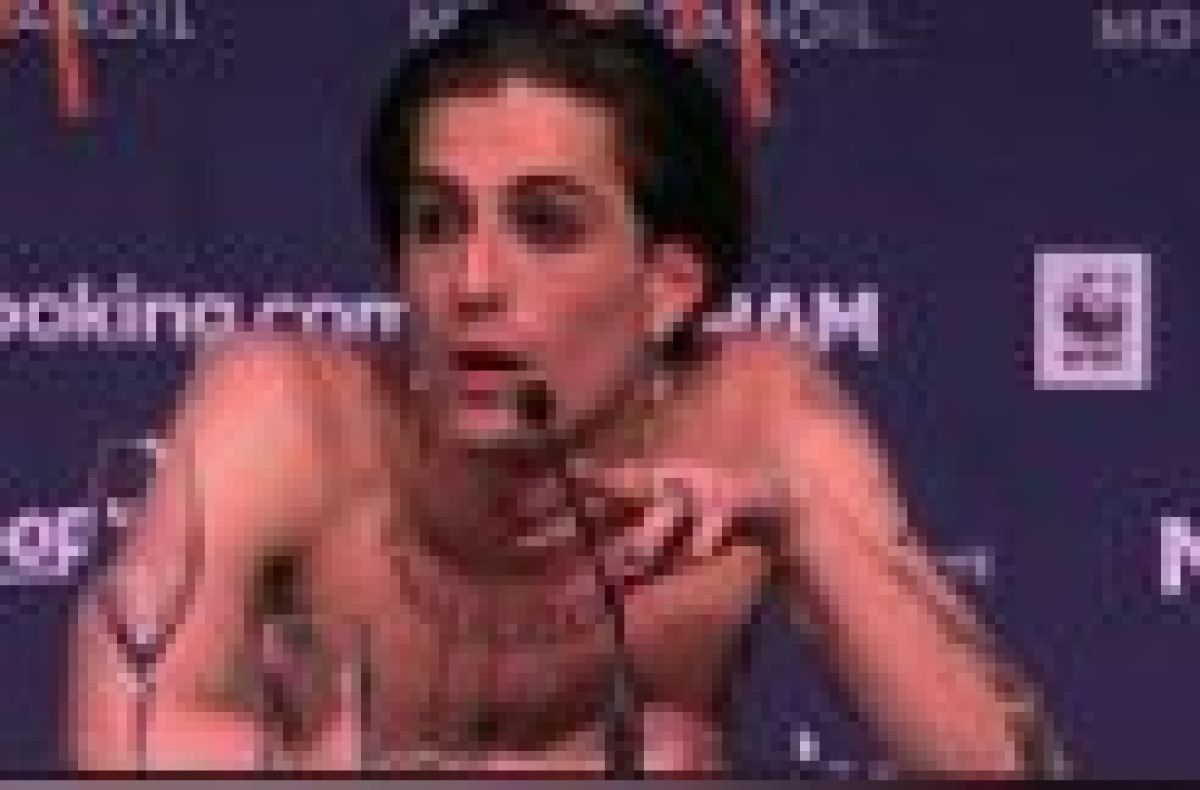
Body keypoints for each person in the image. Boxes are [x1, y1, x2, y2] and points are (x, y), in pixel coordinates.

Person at [69, 0, 1062, 775]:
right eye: (436, 222)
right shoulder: (286, 405)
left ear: (668, 287)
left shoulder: (758, 412)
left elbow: (1004, 766)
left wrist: (807, 532)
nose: (473, 282)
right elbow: (119, 741)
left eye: (545, 225)